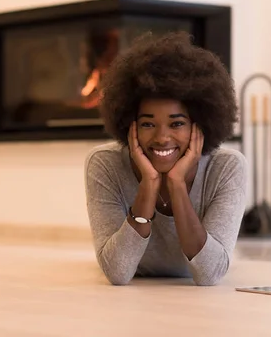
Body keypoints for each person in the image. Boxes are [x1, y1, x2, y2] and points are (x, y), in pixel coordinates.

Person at [84, 31, 247, 286]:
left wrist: (177, 185)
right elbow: (117, 272)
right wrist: (149, 185)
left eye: (177, 123)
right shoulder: (105, 164)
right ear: (130, 124)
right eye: (148, 124)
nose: (162, 137)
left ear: (199, 124)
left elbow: (209, 274)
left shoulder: (226, 167)